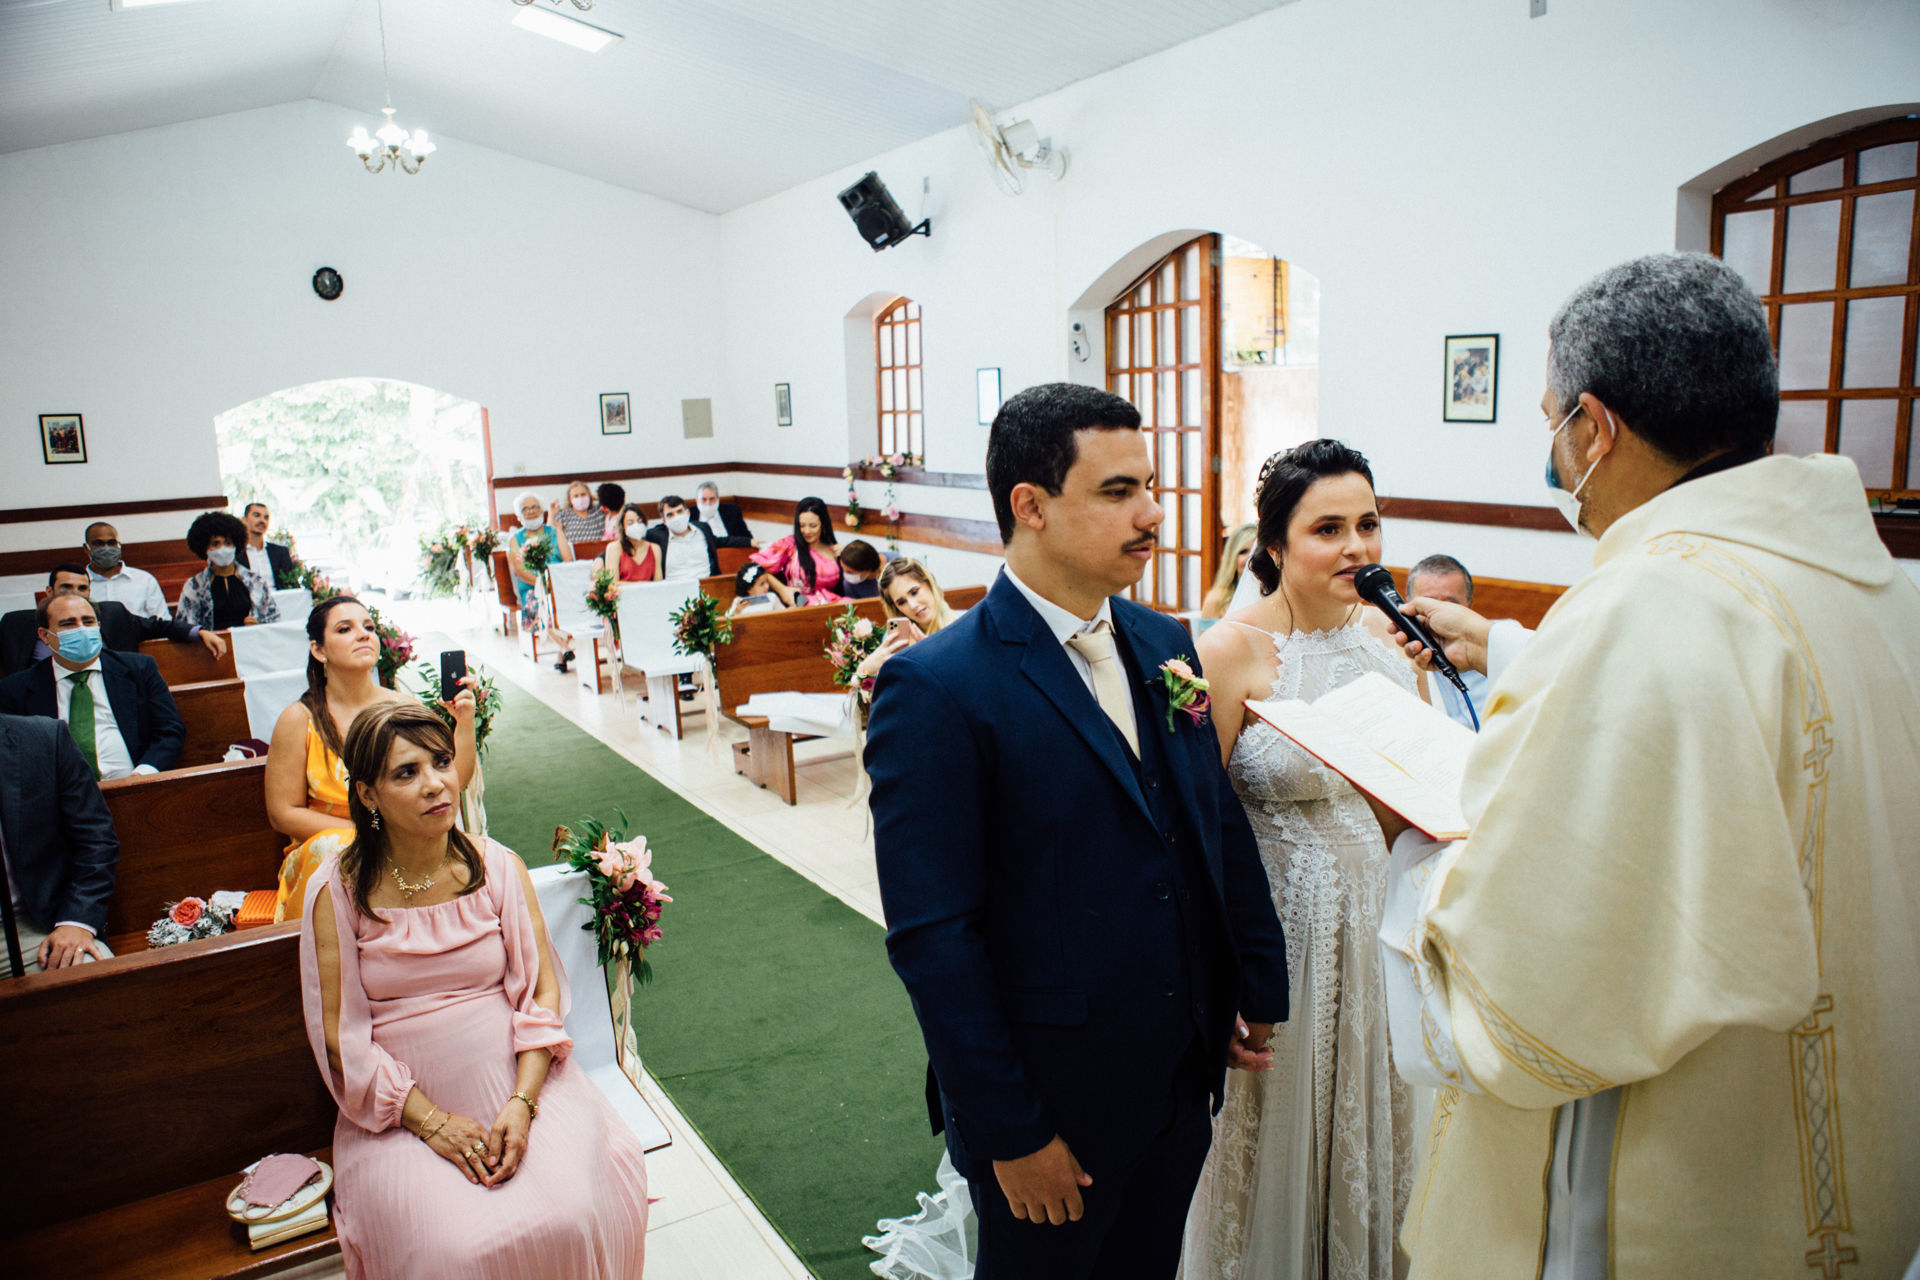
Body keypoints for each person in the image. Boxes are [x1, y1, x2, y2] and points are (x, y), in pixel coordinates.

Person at [1368, 253, 1920, 1279]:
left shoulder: (1645, 605)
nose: (1553, 453)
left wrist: (1414, 858)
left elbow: (1539, 973)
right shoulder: (1877, 590)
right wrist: (1507, 649)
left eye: (1550, 423)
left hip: (1669, 1184)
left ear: (1595, 428)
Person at [866, 382, 1290, 1280]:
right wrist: (1012, 1132)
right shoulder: (938, 686)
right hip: (1051, 1103)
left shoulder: (1163, 640)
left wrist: (1247, 979)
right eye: (1118, 491)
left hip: (1177, 1079)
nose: (1152, 513)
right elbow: (935, 938)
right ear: (1030, 506)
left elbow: (1209, 818)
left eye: (1150, 486)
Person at [1180, 440, 1429, 1280]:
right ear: (1275, 545)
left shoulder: (1389, 641)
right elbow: (1197, 829)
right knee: (1269, 1145)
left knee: (1375, 1121)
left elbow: (1403, 806)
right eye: (1328, 529)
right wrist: (1219, 981)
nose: (1358, 547)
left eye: (1369, 523)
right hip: (1279, 934)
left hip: (1377, 923)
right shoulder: (1231, 651)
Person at [299, 701, 648, 1278]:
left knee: (571, 1213)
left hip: (521, 1081)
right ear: (367, 794)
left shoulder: (497, 866)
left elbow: (541, 996)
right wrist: (431, 1122)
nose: (436, 783)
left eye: (441, 762)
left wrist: (523, 1103)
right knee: (455, 1251)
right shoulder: (338, 889)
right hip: (397, 1109)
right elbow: (342, 1038)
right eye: (406, 772)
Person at [267, 595, 476, 922]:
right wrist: (368, 834)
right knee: (339, 848)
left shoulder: (404, 707)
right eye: (345, 629)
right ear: (319, 650)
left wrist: (464, 723)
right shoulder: (299, 719)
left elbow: (452, 783)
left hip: (408, 837)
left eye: (369, 627)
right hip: (330, 849)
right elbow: (283, 813)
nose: (363, 634)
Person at [0, 592, 185, 778]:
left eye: (88, 622)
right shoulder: (15, 690)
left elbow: (169, 730)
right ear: (45, 635)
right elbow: (12, 755)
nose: (82, 630)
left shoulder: (139, 669)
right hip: (62, 792)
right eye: (68, 624)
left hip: (136, 783)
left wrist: (144, 773)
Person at [0, 711, 119, 977]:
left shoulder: (42, 739)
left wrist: (77, 920)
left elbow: (96, 837)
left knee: (99, 981)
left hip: (29, 929)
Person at [1, 563, 226, 677]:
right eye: (66, 587)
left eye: (82, 588)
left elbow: (158, 625)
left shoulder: (112, 614)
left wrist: (199, 632)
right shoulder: (16, 625)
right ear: (49, 591)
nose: (75, 594)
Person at [1402, 553, 1487, 730]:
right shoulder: (1397, 659)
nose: (1438, 617)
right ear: (1408, 605)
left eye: (1451, 605)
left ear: (1469, 605)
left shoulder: (1493, 647)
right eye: (1428, 604)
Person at [854, 557, 960, 683]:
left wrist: (935, 656)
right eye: (901, 602)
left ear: (929, 583)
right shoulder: (895, 641)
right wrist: (865, 669)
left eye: (914, 592)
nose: (913, 605)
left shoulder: (965, 623)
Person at [177, 510, 281, 630]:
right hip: (212, 641)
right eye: (215, 544)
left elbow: (274, 619)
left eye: (228, 543)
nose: (222, 549)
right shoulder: (195, 586)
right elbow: (185, 627)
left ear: (236, 545)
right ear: (205, 548)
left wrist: (257, 625)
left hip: (249, 639)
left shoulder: (255, 581)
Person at [751, 497, 843, 605]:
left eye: (813, 526)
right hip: (800, 605)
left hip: (832, 605)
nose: (807, 531)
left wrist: (846, 555)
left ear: (823, 524)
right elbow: (755, 566)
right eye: (801, 525)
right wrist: (782, 590)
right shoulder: (790, 544)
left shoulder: (834, 549)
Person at [82, 520, 170, 620]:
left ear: (119, 545)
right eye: (99, 544)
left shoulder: (144, 580)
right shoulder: (79, 583)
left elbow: (162, 620)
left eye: (111, 543)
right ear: (86, 548)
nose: (106, 548)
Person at [506, 491, 573, 616]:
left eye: (535, 507)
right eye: (525, 509)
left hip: (559, 583)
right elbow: (520, 570)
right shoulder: (515, 539)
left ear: (542, 510)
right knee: (537, 605)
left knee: (570, 603)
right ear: (519, 516)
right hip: (532, 587)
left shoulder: (556, 532)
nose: (531, 511)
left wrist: (555, 583)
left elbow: (568, 559)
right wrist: (543, 585)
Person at [644, 494, 720, 585]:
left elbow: (721, 541)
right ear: (664, 521)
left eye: (679, 511)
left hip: (707, 586)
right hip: (674, 588)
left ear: (688, 513)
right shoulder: (655, 536)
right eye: (670, 515)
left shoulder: (703, 528)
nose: (676, 517)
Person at [1199, 524, 1258, 621]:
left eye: (1256, 551)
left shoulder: (1274, 598)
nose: (1250, 558)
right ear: (1231, 557)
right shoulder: (1215, 600)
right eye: (1243, 552)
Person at [239, 501, 298, 587]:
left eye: (266, 517)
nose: (262, 520)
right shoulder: (236, 553)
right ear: (244, 520)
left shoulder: (281, 552)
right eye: (256, 515)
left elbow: (292, 585)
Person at [601, 504, 661, 582]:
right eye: (630, 523)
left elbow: (658, 583)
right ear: (623, 527)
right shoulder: (614, 548)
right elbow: (612, 583)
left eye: (639, 521)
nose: (636, 525)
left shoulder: (655, 549)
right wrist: (642, 585)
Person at [693, 480, 758, 549]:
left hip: (732, 552)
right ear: (697, 501)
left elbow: (747, 538)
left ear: (718, 499)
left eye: (712, 499)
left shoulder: (732, 512)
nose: (708, 503)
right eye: (704, 499)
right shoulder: (690, 516)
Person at [553, 479, 606, 545]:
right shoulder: (563, 515)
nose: (580, 498)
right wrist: (551, 514)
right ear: (570, 499)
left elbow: (612, 498)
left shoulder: (599, 511)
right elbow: (550, 536)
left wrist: (596, 497)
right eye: (576, 496)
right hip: (572, 551)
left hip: (599, 550)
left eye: (583, 495)